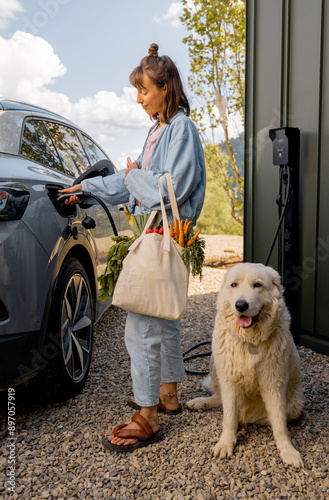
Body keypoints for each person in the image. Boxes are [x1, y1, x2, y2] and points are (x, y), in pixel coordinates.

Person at [59, 43, 206, 452]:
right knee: (165, 318)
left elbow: (169, 187)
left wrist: (136, 174)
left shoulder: (181, 128)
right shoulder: (158, 129)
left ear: (165, 87)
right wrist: (86, 187)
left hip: (165, 231)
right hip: (161, 233)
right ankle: (169, 394)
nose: (138, 99)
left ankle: (146, 415)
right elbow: (132, 181)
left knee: (140, 325)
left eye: (143, 90)